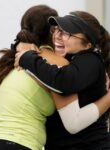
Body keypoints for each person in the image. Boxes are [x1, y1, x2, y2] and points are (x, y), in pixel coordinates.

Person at [15, 11, 110, 150]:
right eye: (57, 30)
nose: (58, 36)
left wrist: (28, 58)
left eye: (67, 33)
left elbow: (63, 82)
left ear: (87, 44)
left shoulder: (90, 60)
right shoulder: (70, 60)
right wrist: (20, 45)